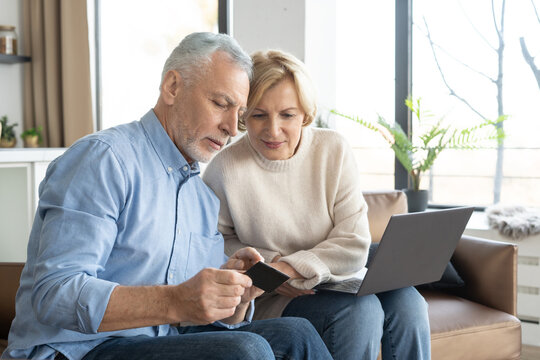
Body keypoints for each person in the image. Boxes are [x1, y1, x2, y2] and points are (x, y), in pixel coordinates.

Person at [1, 33, 333, 360]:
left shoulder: (201, 198)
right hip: (76, 350)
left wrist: (235, 297)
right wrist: (174, 301)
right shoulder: (104, 159)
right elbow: (53, 294)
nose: (233, 128)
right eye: (220, 104)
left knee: (296, 333)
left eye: (240, 114)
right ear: (172, 87)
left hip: (155, 342)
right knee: (246, 350)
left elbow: (202, 317)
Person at [203, 49, 431, 360]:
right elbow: (215, 245)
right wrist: (272, 274)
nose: (273, 130)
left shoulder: (333, 150)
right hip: (276, 296)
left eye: (287, 114)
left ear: (306, 115)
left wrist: (285, 268)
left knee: (409, 303)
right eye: (258, 114)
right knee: (361, 312)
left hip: (339, 280)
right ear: (243, 113)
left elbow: (353, 244)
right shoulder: (224, 168)